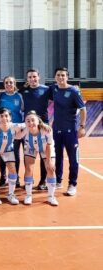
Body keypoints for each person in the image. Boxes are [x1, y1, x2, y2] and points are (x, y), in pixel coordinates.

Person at [52, 67, 87, 196]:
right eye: (58, 75)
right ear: (55, 77)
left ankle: (72, 184)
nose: (60, 77)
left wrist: (82, 126)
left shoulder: (73, 91)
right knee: (57, 157)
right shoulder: (54, 89)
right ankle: (58, 181)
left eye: (63, 75)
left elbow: (83, 109)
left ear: (67, 77)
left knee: (73, 159)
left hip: (70, 131)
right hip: (56, 130)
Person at [19, 68, 52, 190]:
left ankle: (43, 180)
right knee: (28, 154)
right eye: (30, 77)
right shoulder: (24, 91)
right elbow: (17, 92)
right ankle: (29, 179)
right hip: (28, 127)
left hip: (42, 127)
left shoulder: (47, 90)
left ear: (39, 77)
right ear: (27, 79)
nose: (32, 79)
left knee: (44, 155)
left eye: (34, 76)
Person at [19, 111, 58, 206]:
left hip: (46, 148)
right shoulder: (25, 129)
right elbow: (16, 135)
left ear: (38, 121)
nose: (30, 122)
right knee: (28, 169)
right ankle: (28, 195)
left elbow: (48, 146)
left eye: (33, 120)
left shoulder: (47, 130)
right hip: (31, 147)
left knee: (50, 169)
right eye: (28, 121)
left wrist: (48, 161)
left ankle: (51, 196)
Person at [0, 76, 24, 188]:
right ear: (4, 84)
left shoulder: (19, 96)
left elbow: (23, 110)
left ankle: (15, 177)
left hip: (15, 129)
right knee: (2, 153)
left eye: (11, 82)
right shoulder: (0, 96)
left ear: (14, 84)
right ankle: (3, 177)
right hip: (3, 128)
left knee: (15, 153)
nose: (9, 84)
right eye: (7, 82)